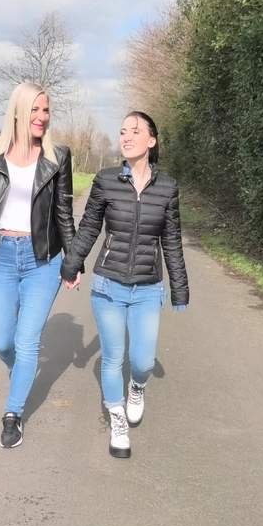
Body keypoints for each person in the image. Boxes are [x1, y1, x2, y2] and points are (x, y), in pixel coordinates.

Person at [60, 111, 189, 458]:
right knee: (113, 357)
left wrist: (180, 288)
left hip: (148, 288)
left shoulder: (167, 187)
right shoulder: (106, 180)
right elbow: (89, 227)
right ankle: (117, 420)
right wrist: (71, 265)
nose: (126, 137)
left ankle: (137, 387)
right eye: (122, 132)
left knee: (143, 362)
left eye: (135, 131)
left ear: (152, 140)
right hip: (108, 286)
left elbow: (172, 241)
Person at [0, 82, 79, 448]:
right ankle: (21, 374)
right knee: (4, 343)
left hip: (41, 260)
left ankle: (12, 414)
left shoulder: (57, 156)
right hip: (0, 256)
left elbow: (64, 212)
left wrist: (73, 260)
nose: (42, 117)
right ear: (18, 111)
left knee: (27, 341)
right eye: (35, 109)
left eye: (46, 110)